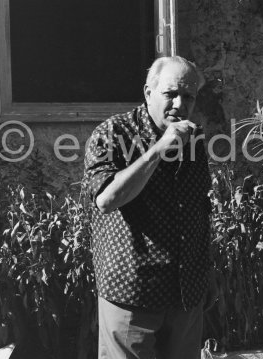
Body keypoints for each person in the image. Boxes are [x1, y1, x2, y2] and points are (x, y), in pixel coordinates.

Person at [82, 56, 216, 359]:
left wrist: (207, 273)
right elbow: (106, 199)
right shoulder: (112, 134)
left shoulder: (193, 139)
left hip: (186, 294)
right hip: (133, 293)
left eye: (189, 96)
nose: (180, 104)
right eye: (171, 93)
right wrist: (158, 149)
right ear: (148, 93)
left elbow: (198, 208)